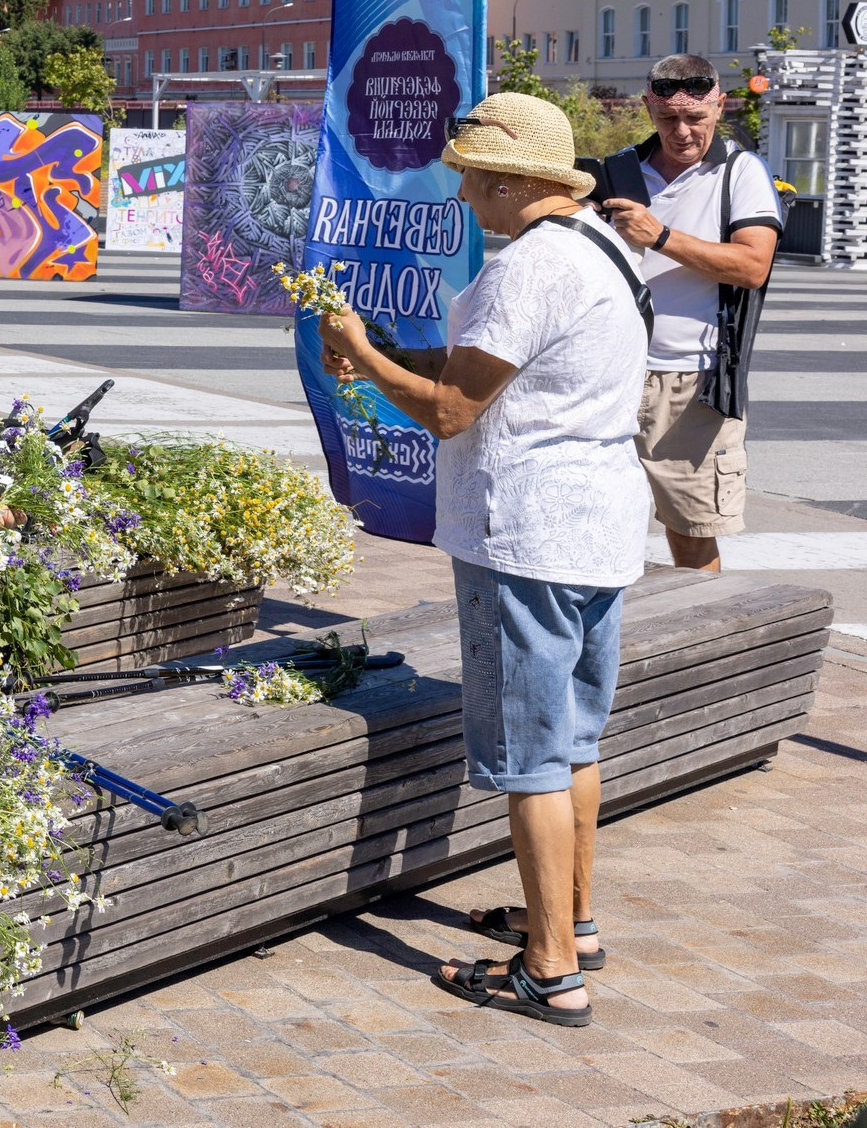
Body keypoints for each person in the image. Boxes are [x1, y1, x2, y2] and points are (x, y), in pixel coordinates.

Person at [318, 92, 650, 1028]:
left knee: (529, 756)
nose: (462, 192)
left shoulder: (525, 267)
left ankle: (548, 970)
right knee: (576, 738)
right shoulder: (604, 247)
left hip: (527, 533)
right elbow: (494, 364)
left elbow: (454, 409)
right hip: (599, 525)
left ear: (513, 180)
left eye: (470, 176)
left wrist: (362, 355)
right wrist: (394, 349)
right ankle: (571, 920)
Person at [584, 54, 780, 573]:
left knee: (691, 534)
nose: (683, 131)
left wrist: (661, 237)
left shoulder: (741, 172)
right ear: (648, 107)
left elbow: (753, 265)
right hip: (612, 374)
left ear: (720, 104)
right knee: (596, 524)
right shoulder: (619, 169)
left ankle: (704, 645)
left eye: (696, 117)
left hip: (692, 381)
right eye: (669, 118)